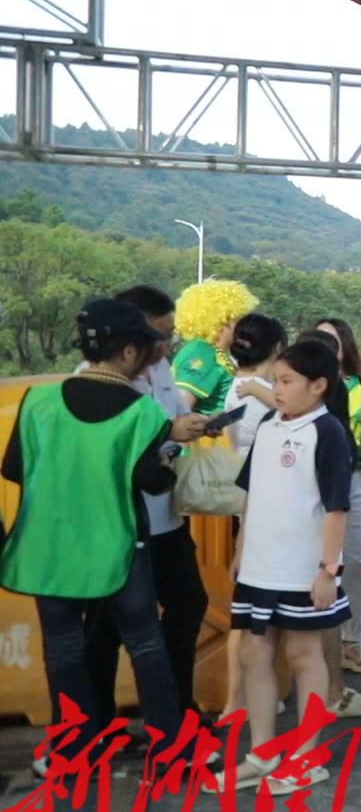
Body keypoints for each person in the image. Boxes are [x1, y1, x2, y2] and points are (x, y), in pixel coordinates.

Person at [3, 299, 202, 772]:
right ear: (129, 352)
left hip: (47, 547)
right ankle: (170, 750)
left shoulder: (38, 401)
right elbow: (151, 481)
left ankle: (73, 752)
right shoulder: (141, 412)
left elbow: (13, 468)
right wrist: (167, 462)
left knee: (63, 649)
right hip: (116, 547)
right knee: (145, 644)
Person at [224, 339, 352, 794]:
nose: (276, 389)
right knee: (253, 653)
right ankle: (262, 754)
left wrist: (328, 570)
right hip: (260, 564)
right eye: (275, 380)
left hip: (302, 568)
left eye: (286, 381)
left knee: (303, 655)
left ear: (318, 386)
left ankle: (306, 756)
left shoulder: (327, 431)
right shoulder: (269, 425)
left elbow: (337, 509)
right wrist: (241, 548)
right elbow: (252, 493)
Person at [83, 286, 210, 731]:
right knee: (105, 627)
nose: (165, 344)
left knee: (188, 605)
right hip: (115, 524)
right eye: (159, 334)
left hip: (165, 519)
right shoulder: (91, 381)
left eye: (169, 335)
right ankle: (97, 724)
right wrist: (167, 433)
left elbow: (172, 421)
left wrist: (190, 429)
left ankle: (177, 711)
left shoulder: (161, 370)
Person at [217, 313, 287, 722]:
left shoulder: (232, 390)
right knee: (263, 619)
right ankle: (249, 698)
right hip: (270, 509)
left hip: (247, 506)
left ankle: (238, 699)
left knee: (247, 615)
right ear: (277, 348)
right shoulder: (266, 393)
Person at [313, 317, 361, 679]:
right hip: (316, 481)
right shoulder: (307, 384)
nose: (328, 347)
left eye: (333, 340)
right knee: (321, 562)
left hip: (357, 476)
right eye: (320, 340)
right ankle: (315, 644)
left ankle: (351, 641)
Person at [172, 280, 258, 416]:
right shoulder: (203, 352)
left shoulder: (219, 354)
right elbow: (179, 409)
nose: (244, 324)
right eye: (239, 318)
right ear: (224, 319)